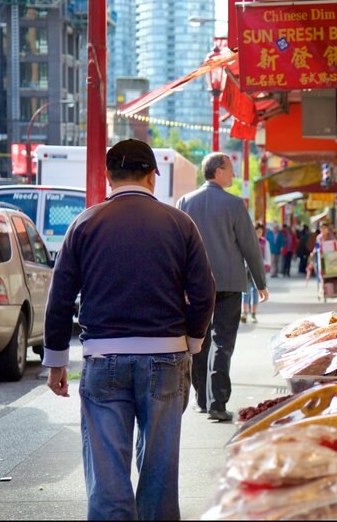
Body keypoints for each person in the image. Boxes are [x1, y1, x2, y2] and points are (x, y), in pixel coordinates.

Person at [42, 140, 216, 520]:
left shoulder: (85, 223)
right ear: (153, 175)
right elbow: (205, 291)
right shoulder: (179, 223)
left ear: (108, 175)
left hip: (103, 357)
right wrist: (193, 341)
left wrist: (56, 361)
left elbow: (59, 298)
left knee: (107, 474)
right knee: (159, 469)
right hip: (167, 357)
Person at [177, 152, 268, 422]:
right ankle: (218, 402)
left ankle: (201, 400)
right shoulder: (234, 204)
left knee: (198, 341)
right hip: (229, 283)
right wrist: (260, 282)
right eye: (230, 169)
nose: (233, 174)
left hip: (195, 285)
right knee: (223, 342)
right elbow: (250, 246)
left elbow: (178, 246)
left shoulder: (186, 202)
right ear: (218, 171)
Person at [242, 223, 270, 323]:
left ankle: (253, 314)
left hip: (258, 269)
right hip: (246, 268)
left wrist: (266, 265)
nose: (259, 234)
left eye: (260, 232)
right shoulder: (247, 241)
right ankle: (244, 313)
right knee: (245, 291)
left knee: (256, 291)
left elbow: (267, 255)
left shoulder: (264, 242)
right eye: (257, 232)